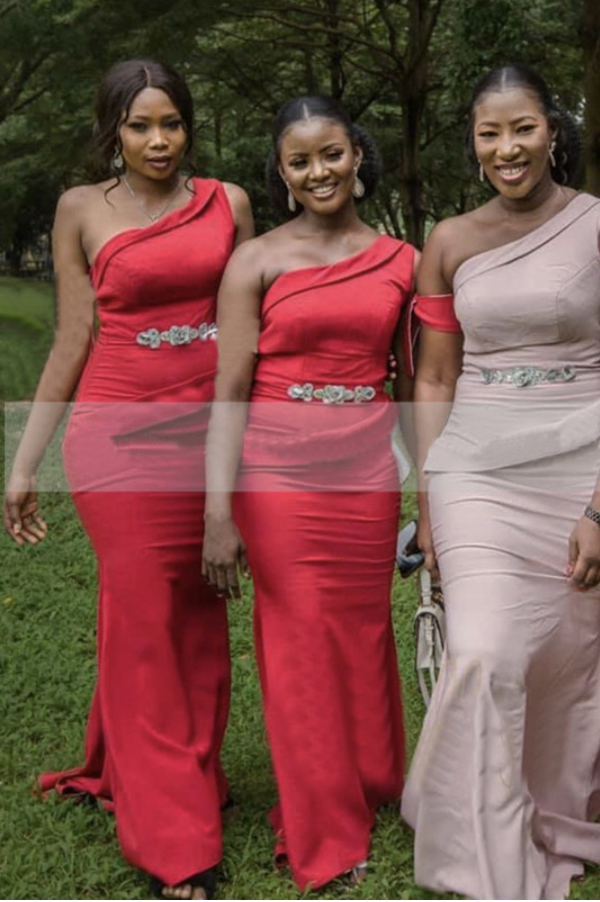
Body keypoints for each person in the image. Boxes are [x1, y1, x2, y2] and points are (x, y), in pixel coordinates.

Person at [400, 64, 600, 899]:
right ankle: (479, 833)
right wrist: (429, 500)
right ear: (473, 143)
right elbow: (434, 379)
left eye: (523, 128)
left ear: (554, 129)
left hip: (583, 464)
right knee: (484, 651)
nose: (507, 148)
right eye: (490, 133)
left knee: (563, 657)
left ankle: (551, 808)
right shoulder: (447, 240)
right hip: (474, 466)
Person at [2, 60, 253, 898]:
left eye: (171, 123)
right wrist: (25, 461)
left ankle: (177, 769)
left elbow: (252, 331)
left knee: (197, 617)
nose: (157, 140)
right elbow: (72, 339)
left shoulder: (229, 204)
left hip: (209, 437)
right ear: (111, 128)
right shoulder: (80, 209)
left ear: (189, 125)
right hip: (118, 440)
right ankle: (174, 841)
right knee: (147, 627)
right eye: (139, 125)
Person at [201, 95, 415, 891]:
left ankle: (370, 778)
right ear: (283, 175)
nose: (319, 171)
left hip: (365, 475)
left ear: (358, 156)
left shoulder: (402, 258)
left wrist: (435, 492)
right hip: (277, 476)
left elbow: (412, 388)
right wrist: (218, 512)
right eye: (301, 162)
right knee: (298, 648)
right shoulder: (254, 261)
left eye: (332, 154)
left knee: (361, 633)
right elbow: (228, 390)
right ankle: (322, 826)